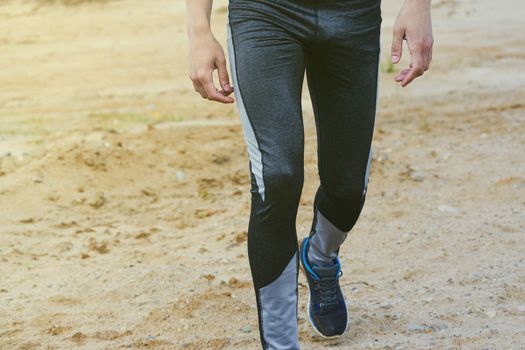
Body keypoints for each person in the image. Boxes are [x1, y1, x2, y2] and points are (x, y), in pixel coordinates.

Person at [185, 0, 433, 348]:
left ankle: (319, 256)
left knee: (348, 188)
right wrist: (199, 30)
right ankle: (281, 343)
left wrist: (419, 5)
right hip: (264, 14)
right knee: (277, 177)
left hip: (352, 15)